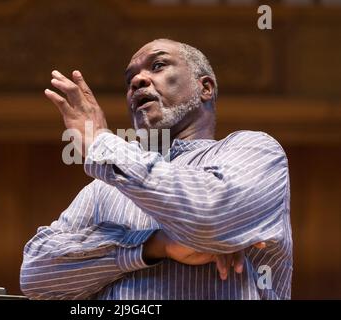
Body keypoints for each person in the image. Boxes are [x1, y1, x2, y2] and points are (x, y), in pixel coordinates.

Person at [20, 39, 293, 300]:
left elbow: (212, 216)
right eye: (130, 80)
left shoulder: (256, 150)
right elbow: (35, 274)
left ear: (205, 87)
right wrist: (155, 245)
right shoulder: (105, 187)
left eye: (158, 66)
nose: (138, 81)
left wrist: (102, 142)